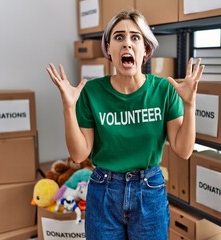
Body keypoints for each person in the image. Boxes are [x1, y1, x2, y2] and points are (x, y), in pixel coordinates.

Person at [46, 10, 204, 240]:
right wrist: (68, 107)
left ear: (146, 50)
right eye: (119, 37)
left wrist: (190, 105)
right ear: (108, 48)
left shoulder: (164, 90)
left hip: (149, 192)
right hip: (103, 192)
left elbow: (184, 150)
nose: (127, 44)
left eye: (135, 37)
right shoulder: (92, 91)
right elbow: (79, 153)